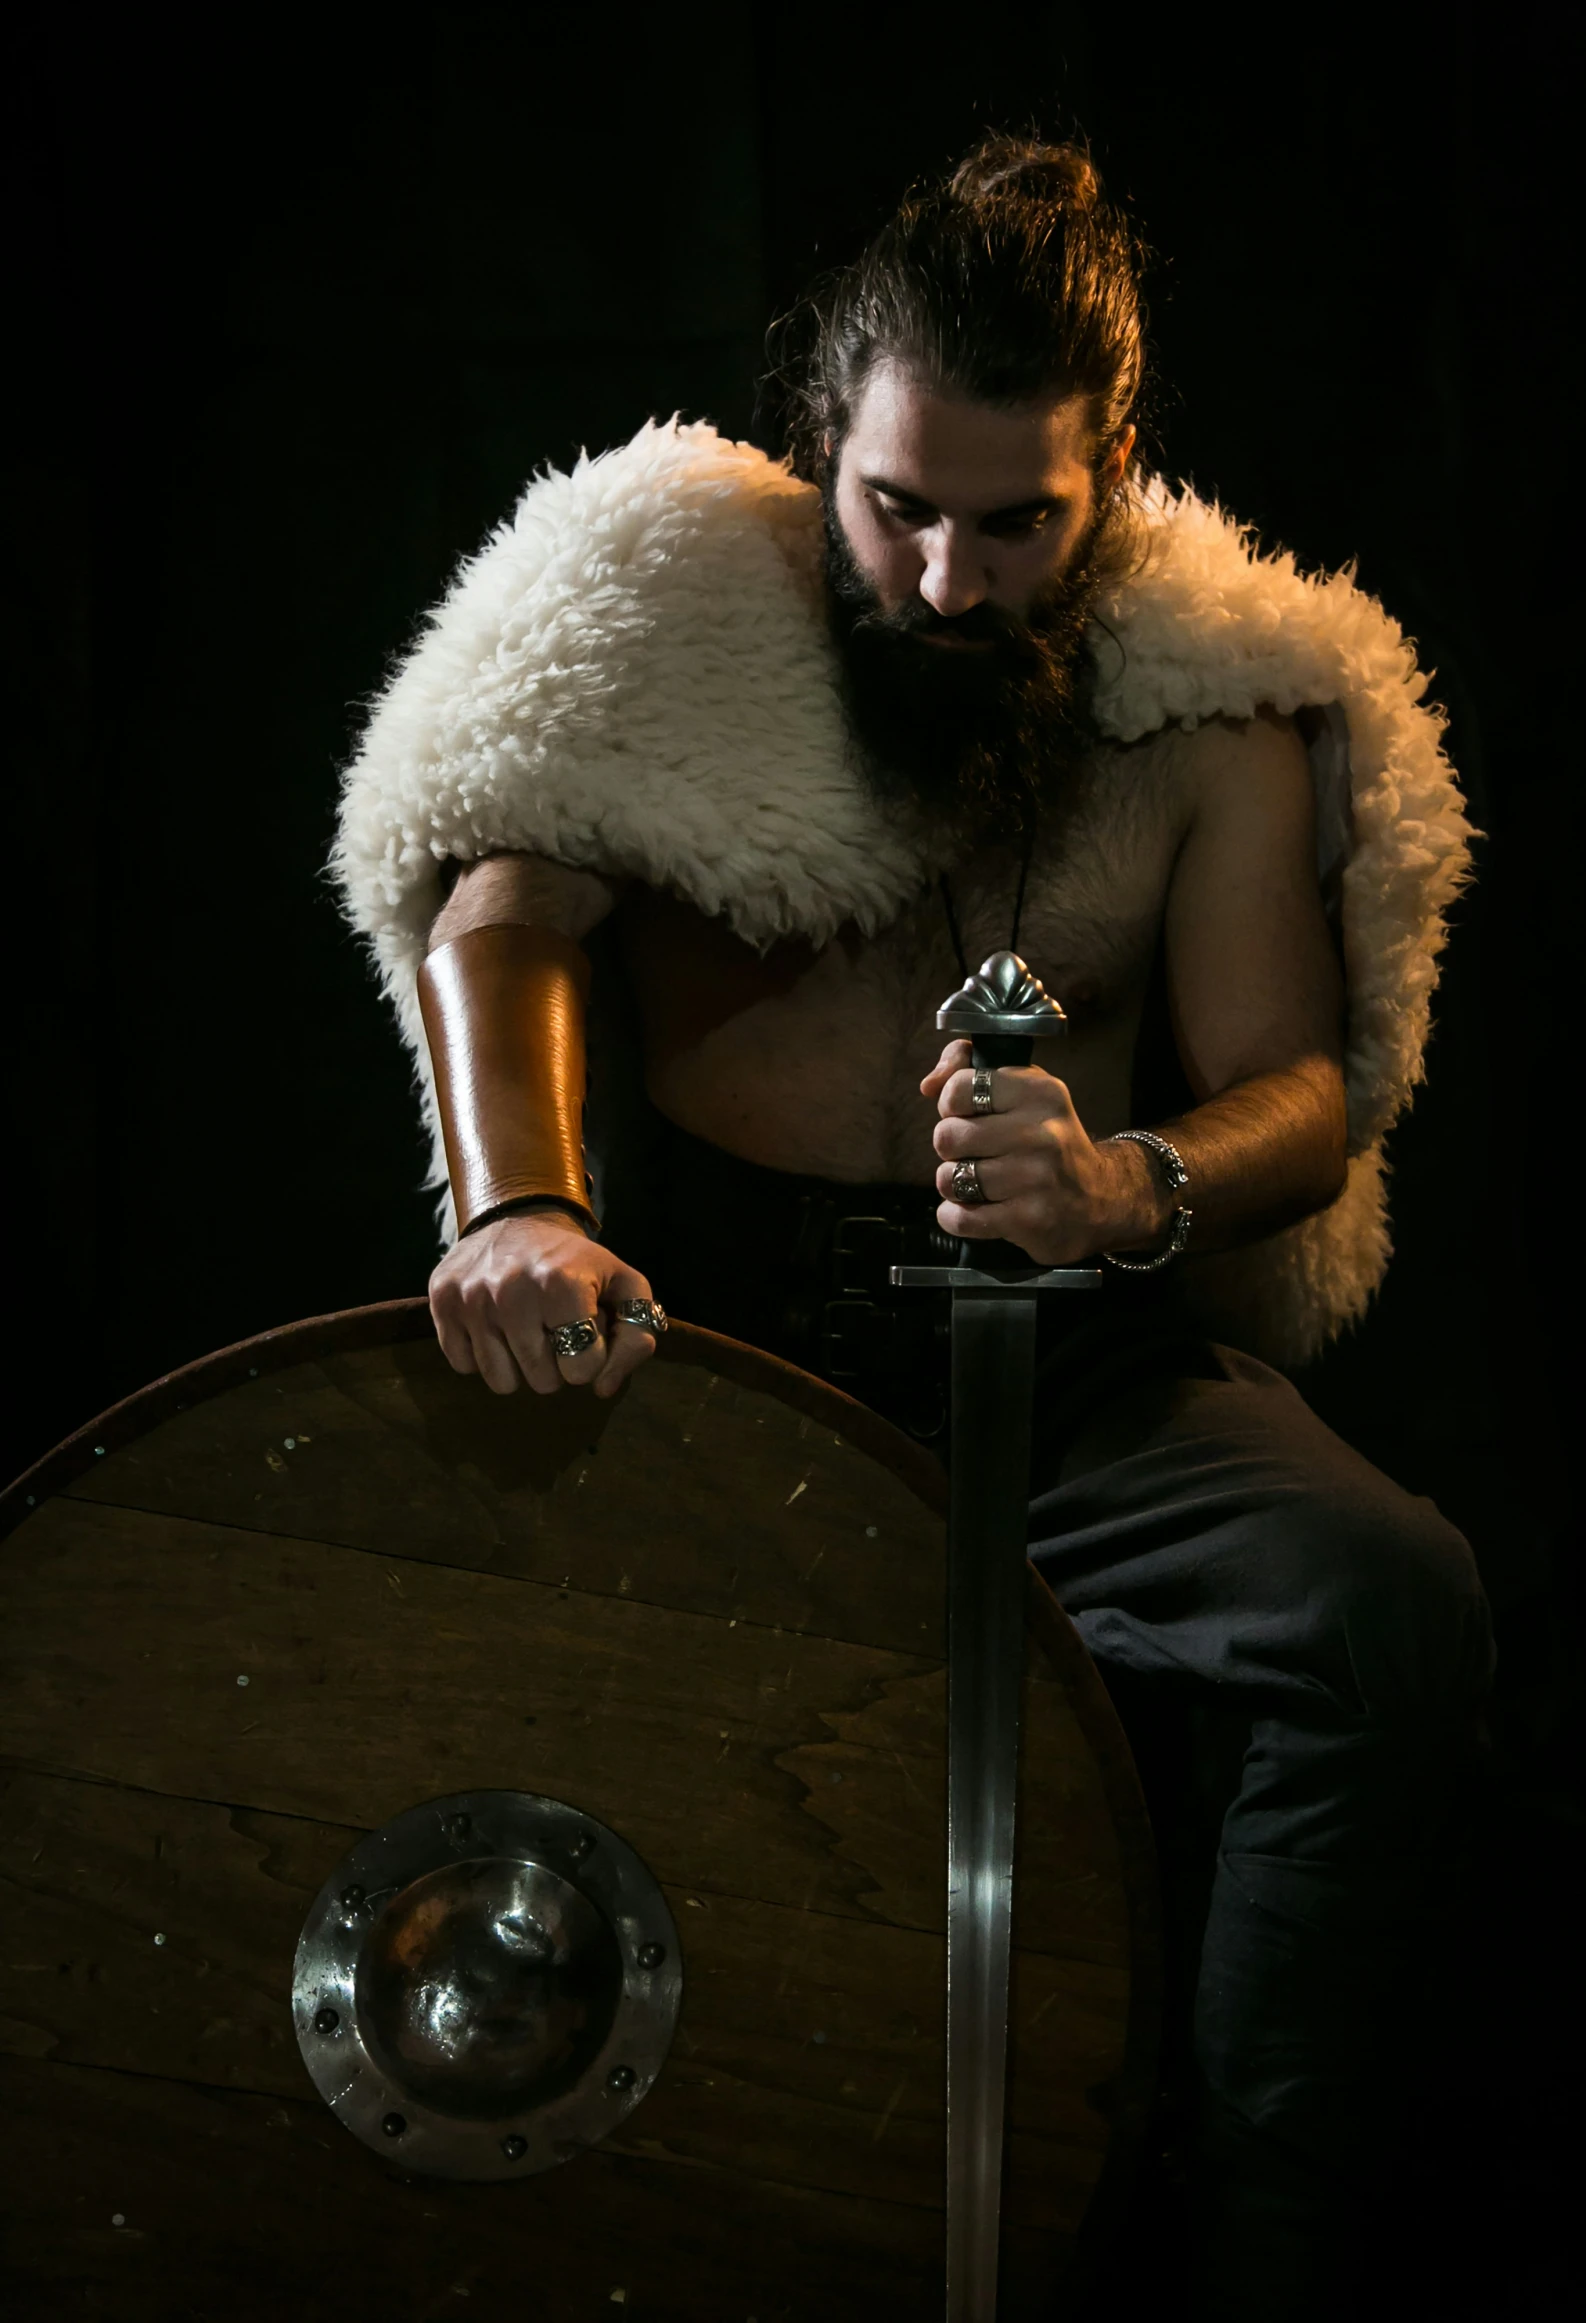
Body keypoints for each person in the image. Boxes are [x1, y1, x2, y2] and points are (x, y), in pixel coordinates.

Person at [333, 136, 1493, 2319]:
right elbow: (500, 900)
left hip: (1076, 1375)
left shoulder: (1216, 706)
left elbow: (1305, 1092)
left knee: (1383, 1602)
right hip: (713, 1357)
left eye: (1018, 523)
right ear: (826, 442)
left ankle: (1247, 2246)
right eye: (902, 511)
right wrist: (525, 1212)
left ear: (1112, 474)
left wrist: (1125, 1181)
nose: (951, 581)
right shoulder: (669, 609)